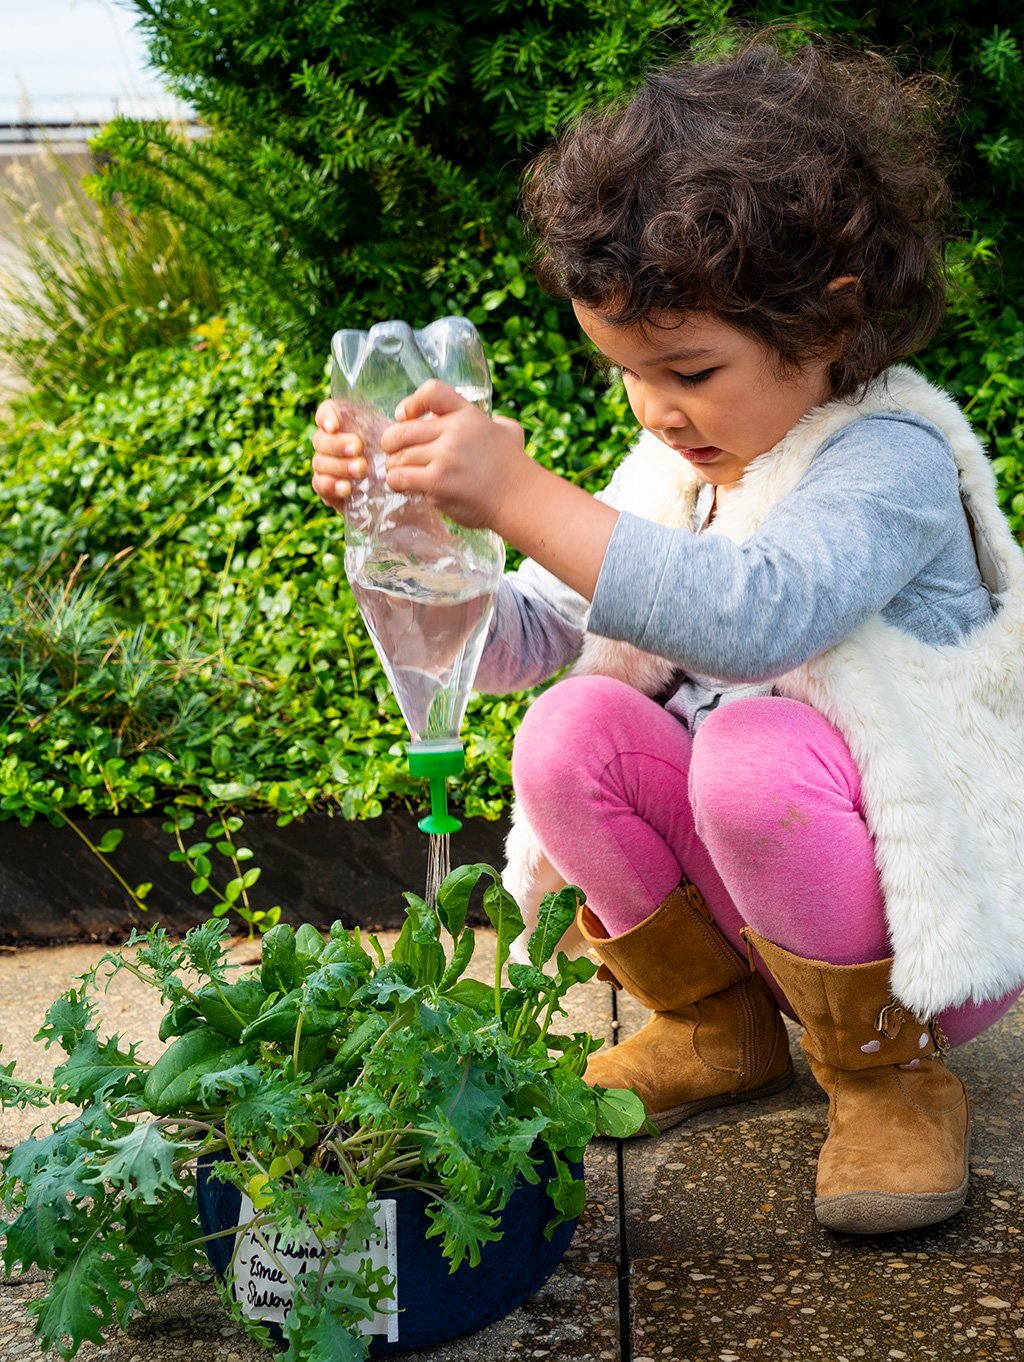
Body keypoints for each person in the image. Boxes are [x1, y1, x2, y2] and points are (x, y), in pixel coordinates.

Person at [311, 33, 1024, 1237]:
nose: (655, 408)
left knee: (749, 750)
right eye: (629, 375)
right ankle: (714, 1025)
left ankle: (885, 1075)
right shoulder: (674, 469)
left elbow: (755, 616)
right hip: (750, 916)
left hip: (913, 939)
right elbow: (530, 646)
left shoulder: (889, 462)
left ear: (830, 315)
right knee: (570, 727)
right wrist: (422, 537)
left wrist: (527, 497)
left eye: (688, 367)